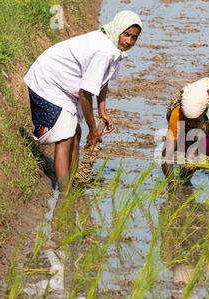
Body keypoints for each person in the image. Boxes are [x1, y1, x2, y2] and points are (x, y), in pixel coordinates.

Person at [24, 11, 143, 191]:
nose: (129, 41)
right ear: (117, 29)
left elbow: (103, 80)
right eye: (126, 34)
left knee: (76, 130)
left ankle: (72, 183)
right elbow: (85, 94)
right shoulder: (104, 51)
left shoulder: (112, 47)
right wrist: (93, 131)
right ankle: (64, 195)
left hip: (63, 84)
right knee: (65, 137)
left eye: (134, 37)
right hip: (48, 82)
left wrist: (102, 111)